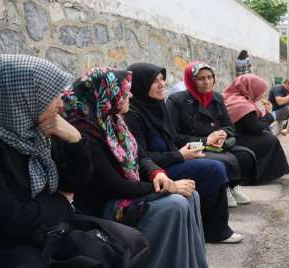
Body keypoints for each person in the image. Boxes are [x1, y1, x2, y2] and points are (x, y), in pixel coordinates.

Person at [0, 54, 102, 267]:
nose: (60, 104)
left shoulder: (39, 129)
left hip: (44, 230)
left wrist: (75, 140)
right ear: (20, 96)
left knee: (120, 245)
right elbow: (7, 219)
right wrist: (60, 202)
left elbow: (77, 183)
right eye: (51, 96)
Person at [62, 67, 208, 268]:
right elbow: (114, 186)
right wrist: (167, 187)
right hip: (103, 205)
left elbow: (140, 154)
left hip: (124, 194)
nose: (129, 94)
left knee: (191, 195)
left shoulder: (112, 121)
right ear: (106, 94)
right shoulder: (86, 132)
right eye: (124, 90)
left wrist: (156, 172)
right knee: (174, 205)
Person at [124, 62, 243, 244]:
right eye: (154, 81)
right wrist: (182, 154)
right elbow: (141, 157)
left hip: (171, 160)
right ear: (140, 84)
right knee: (214, 168)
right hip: (154, 173)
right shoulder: (132, 113)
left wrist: (214, 140)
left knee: (231, 159)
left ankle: (211, 226)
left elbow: (170, 139)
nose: (162, 84)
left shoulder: (157, 105)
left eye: (162, 79)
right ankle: (216, 231)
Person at [167, 61, 253, 208]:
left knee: (246, 155)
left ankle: (233, 185)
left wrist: (222, 135)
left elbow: (229, 127)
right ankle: (222, 186)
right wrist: (206, 140)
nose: (207, 82)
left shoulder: (217, 99)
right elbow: (174, 136)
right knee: (219, 161)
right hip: (193, 147)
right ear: (191, 80)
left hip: (217, 145)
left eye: (209, 77)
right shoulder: (177, 101)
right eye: (201, 78)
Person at [223, 74, 289, 184]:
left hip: (233, 136)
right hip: (234, 139)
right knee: (270, 140)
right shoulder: (241, 104)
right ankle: (262, 175)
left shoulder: (231, 97)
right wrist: (269, 115)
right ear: (250, 89)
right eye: (259, 91)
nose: (261, 95)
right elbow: (256, 128)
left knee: (268, 135)